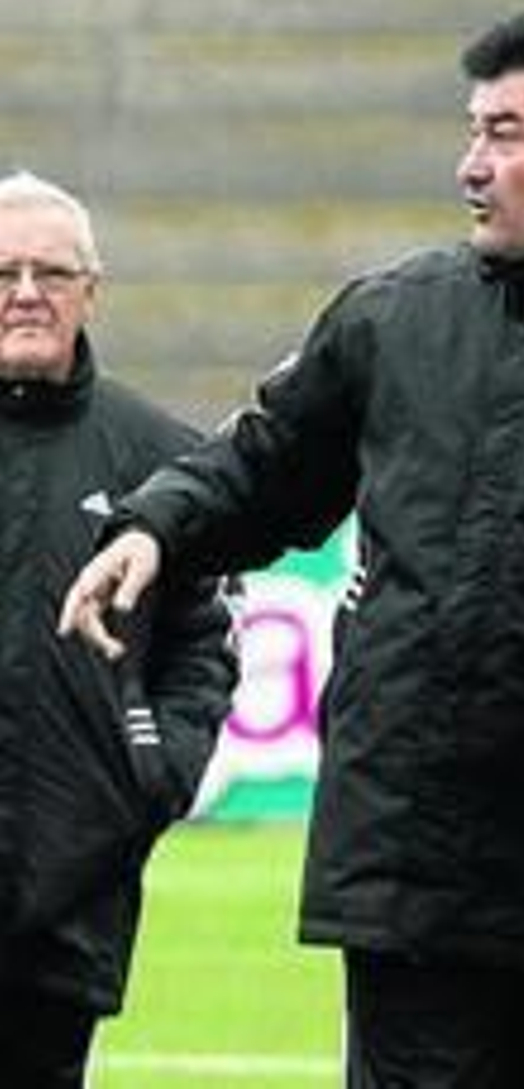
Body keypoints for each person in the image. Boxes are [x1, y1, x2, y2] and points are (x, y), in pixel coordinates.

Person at [58, 5, 524, 1088]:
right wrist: (157, 524)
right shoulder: (396, 314)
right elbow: (265, 465)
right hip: (405, 863)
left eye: (505, 134)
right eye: (472, 131)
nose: (470, 164)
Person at [0, 170, 236, 1087]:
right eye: (5, 271)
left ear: (91, 290)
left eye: (52, 273)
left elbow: (204, 641)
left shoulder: (159, 461)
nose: (26, 293)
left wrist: (155, 775)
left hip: (67, 891)